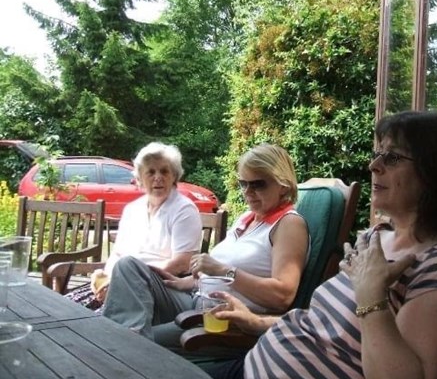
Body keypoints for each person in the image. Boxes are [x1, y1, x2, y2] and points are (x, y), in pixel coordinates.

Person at [202, 111, 437, 379]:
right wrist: (255, 321)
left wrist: (371, 296)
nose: (373, 165)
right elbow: (323, 325)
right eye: (378, 154)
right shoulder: (375, 239)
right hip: (254, 366)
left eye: (392, 157)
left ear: (436, 172)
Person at [102, 143, 310, 342]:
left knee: (131, 338)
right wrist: (188, 282)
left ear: (283, 186)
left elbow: (282, 295)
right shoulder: (247, 219)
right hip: (194, 300)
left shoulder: (289, 224)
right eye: (243, 183)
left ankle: (120, 349)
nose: (247, 192)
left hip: (221, 322)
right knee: (128, 266)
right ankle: (120, 345)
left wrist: (221, 269)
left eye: (258, 184)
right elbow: (222, 276)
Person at [67, 141, 202, 310]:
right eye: (151, 172)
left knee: (96, 322)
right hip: (121, 282)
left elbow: (182, 263)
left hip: (162, 289)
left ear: (174, 176)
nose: (158, 177)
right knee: (67, 308)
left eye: (164, 171)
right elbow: (117, 254)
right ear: (139, 179)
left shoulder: (184, 209)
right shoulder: (132, 210)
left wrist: (122, 281)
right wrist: (105, 276)